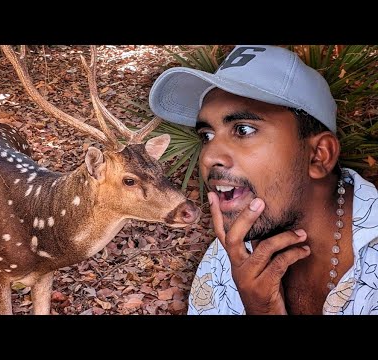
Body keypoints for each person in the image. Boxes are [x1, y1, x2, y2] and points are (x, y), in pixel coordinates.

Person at [149, 45, 378, 315]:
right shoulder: (224, 260)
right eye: (207, 136)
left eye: (243, 129)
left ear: (318, 156)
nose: (209, 156)